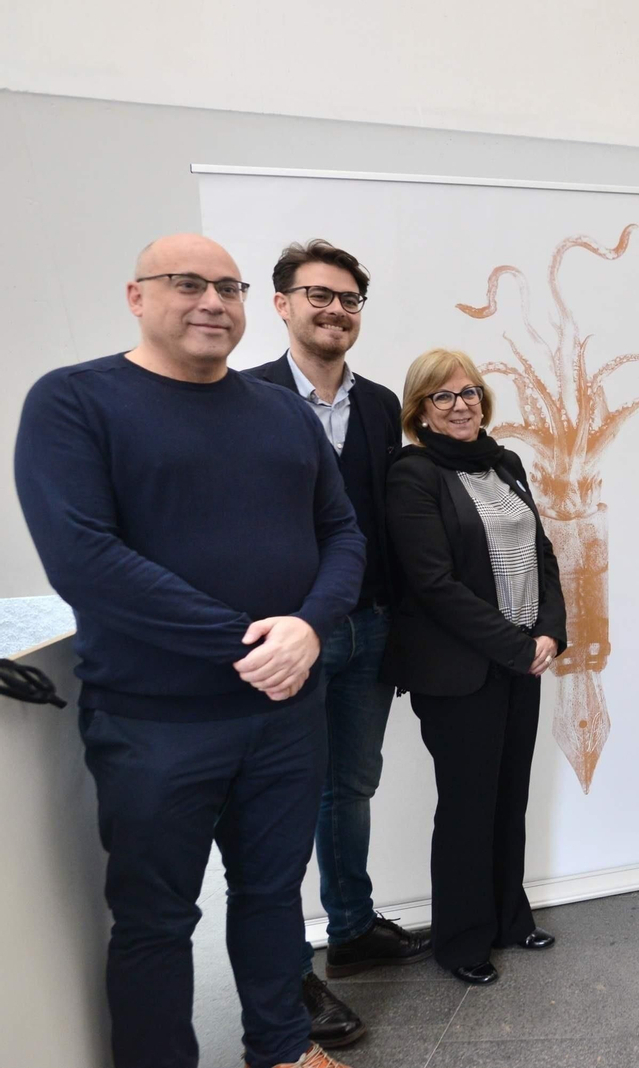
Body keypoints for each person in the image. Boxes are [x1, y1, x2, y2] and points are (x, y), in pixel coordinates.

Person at [14, 234, 366, 1068]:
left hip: (284, 711)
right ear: (137, 297)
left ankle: (283, 1050)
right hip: (155, 723)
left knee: (273, 895)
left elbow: (342, 532)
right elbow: (85, 559)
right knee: (156, 921)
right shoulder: (75, 402)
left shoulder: (281, 411)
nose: (212, 301)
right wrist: (247, 642)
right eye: (186, 283)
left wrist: (308, 627)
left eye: (227, 287)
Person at [244, 240, 430, 1049]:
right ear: (282, 304)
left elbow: (388, 522)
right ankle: (290, 974)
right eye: (318, 295)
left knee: (351, 785)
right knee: (282, 803)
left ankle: (350, 928)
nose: (334, 310)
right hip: (291, 636)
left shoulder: (382, 405)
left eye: (349, 299)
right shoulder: (243, 398)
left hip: (371, 626)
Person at [383, 349, 567, 985]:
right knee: (467, 806)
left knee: (509, 797)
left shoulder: (504, 464)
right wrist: (515, 646)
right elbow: (433, 584)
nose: (460, 405)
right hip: (460, 673)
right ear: (421, 411)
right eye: (444, 396)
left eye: (469, 393)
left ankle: (509, 919)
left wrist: (549, 632)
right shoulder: (413, 475)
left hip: (521, 662)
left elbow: (541, 553)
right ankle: (462, 941)